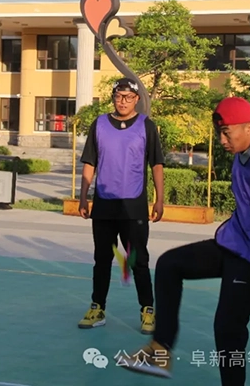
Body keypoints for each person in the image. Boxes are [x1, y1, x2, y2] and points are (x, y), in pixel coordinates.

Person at [117, 96, 250, 384]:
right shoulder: (244, 152)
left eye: (226, 133)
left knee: (228, 327)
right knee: (170, 264)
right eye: (219, 133)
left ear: (249, 128)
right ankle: (160, 350)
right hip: (238, 244)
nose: (222, 140)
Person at [77, 77, 165, 335]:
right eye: (118, 96)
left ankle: (147, 310)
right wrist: (83, 196)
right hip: (104, 204)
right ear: (113, 98)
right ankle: (97, 308)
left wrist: (159, 199)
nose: (123, 101)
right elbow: (90, 162)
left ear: (137, 99)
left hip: (133, 206)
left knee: (138, 260)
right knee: (102, 259)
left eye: (128, 97)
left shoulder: (147, 126)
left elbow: (157, 164)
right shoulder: (99, 124)